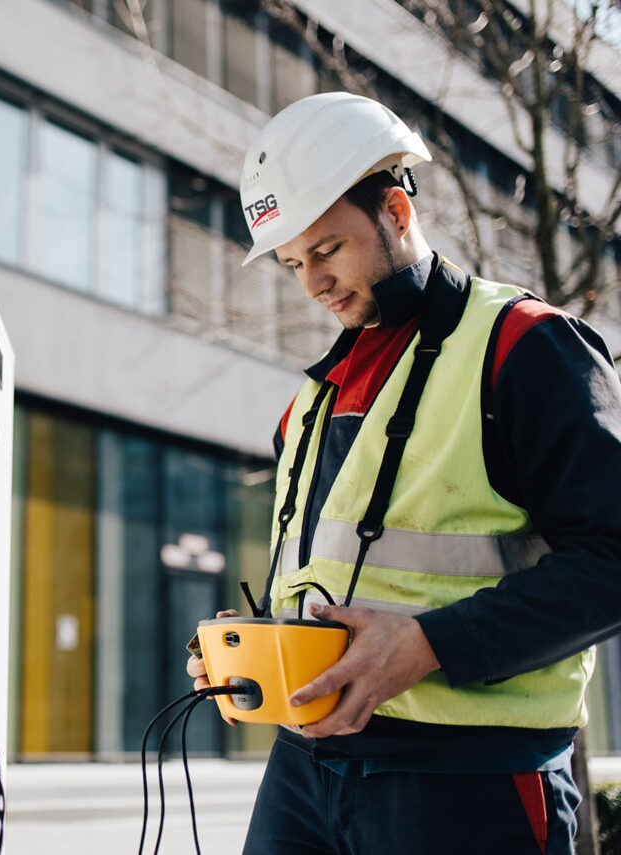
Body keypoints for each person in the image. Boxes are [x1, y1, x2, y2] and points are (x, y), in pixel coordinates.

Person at [187, 91, 621, 854]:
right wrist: (257, 643)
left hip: (468, 776)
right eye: (293, 264)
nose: (313, 284)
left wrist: (426, 644)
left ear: (395, 210)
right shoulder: (309, 403)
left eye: (325, 250)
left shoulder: (526, 346)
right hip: (304, 765)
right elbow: (333, 575)